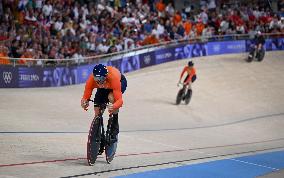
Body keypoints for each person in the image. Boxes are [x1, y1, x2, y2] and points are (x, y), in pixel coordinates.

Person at [81, 64, 127, 143]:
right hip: (105, 87)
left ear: (105, 76)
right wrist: (84, 103)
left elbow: (120, 101)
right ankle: (98, 133)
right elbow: (85, 97)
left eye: (101, 78)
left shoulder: (113, 78)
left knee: (111, 98)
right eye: (97, 78)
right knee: (97, 110)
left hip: (119, 82)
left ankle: (115, 123)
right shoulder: (92, 80)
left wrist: (114, 106)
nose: (99, 81)